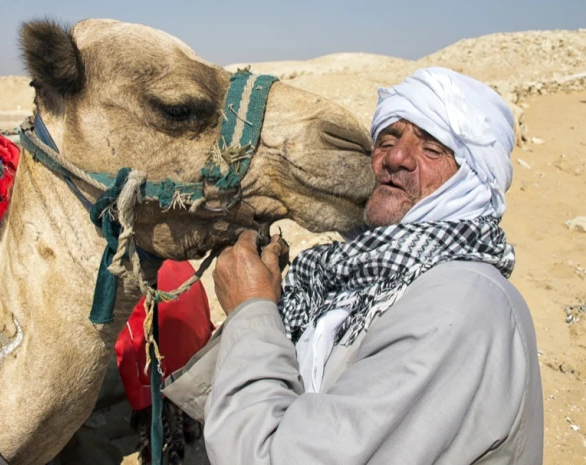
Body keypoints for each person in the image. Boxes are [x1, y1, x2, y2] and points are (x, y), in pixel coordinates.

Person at [161, 67, 544, 464]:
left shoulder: (459, 305)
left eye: (432, 149)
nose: (395, 157)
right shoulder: (363, 276)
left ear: (473, 180)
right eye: (388, 139)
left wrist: (252, 311)